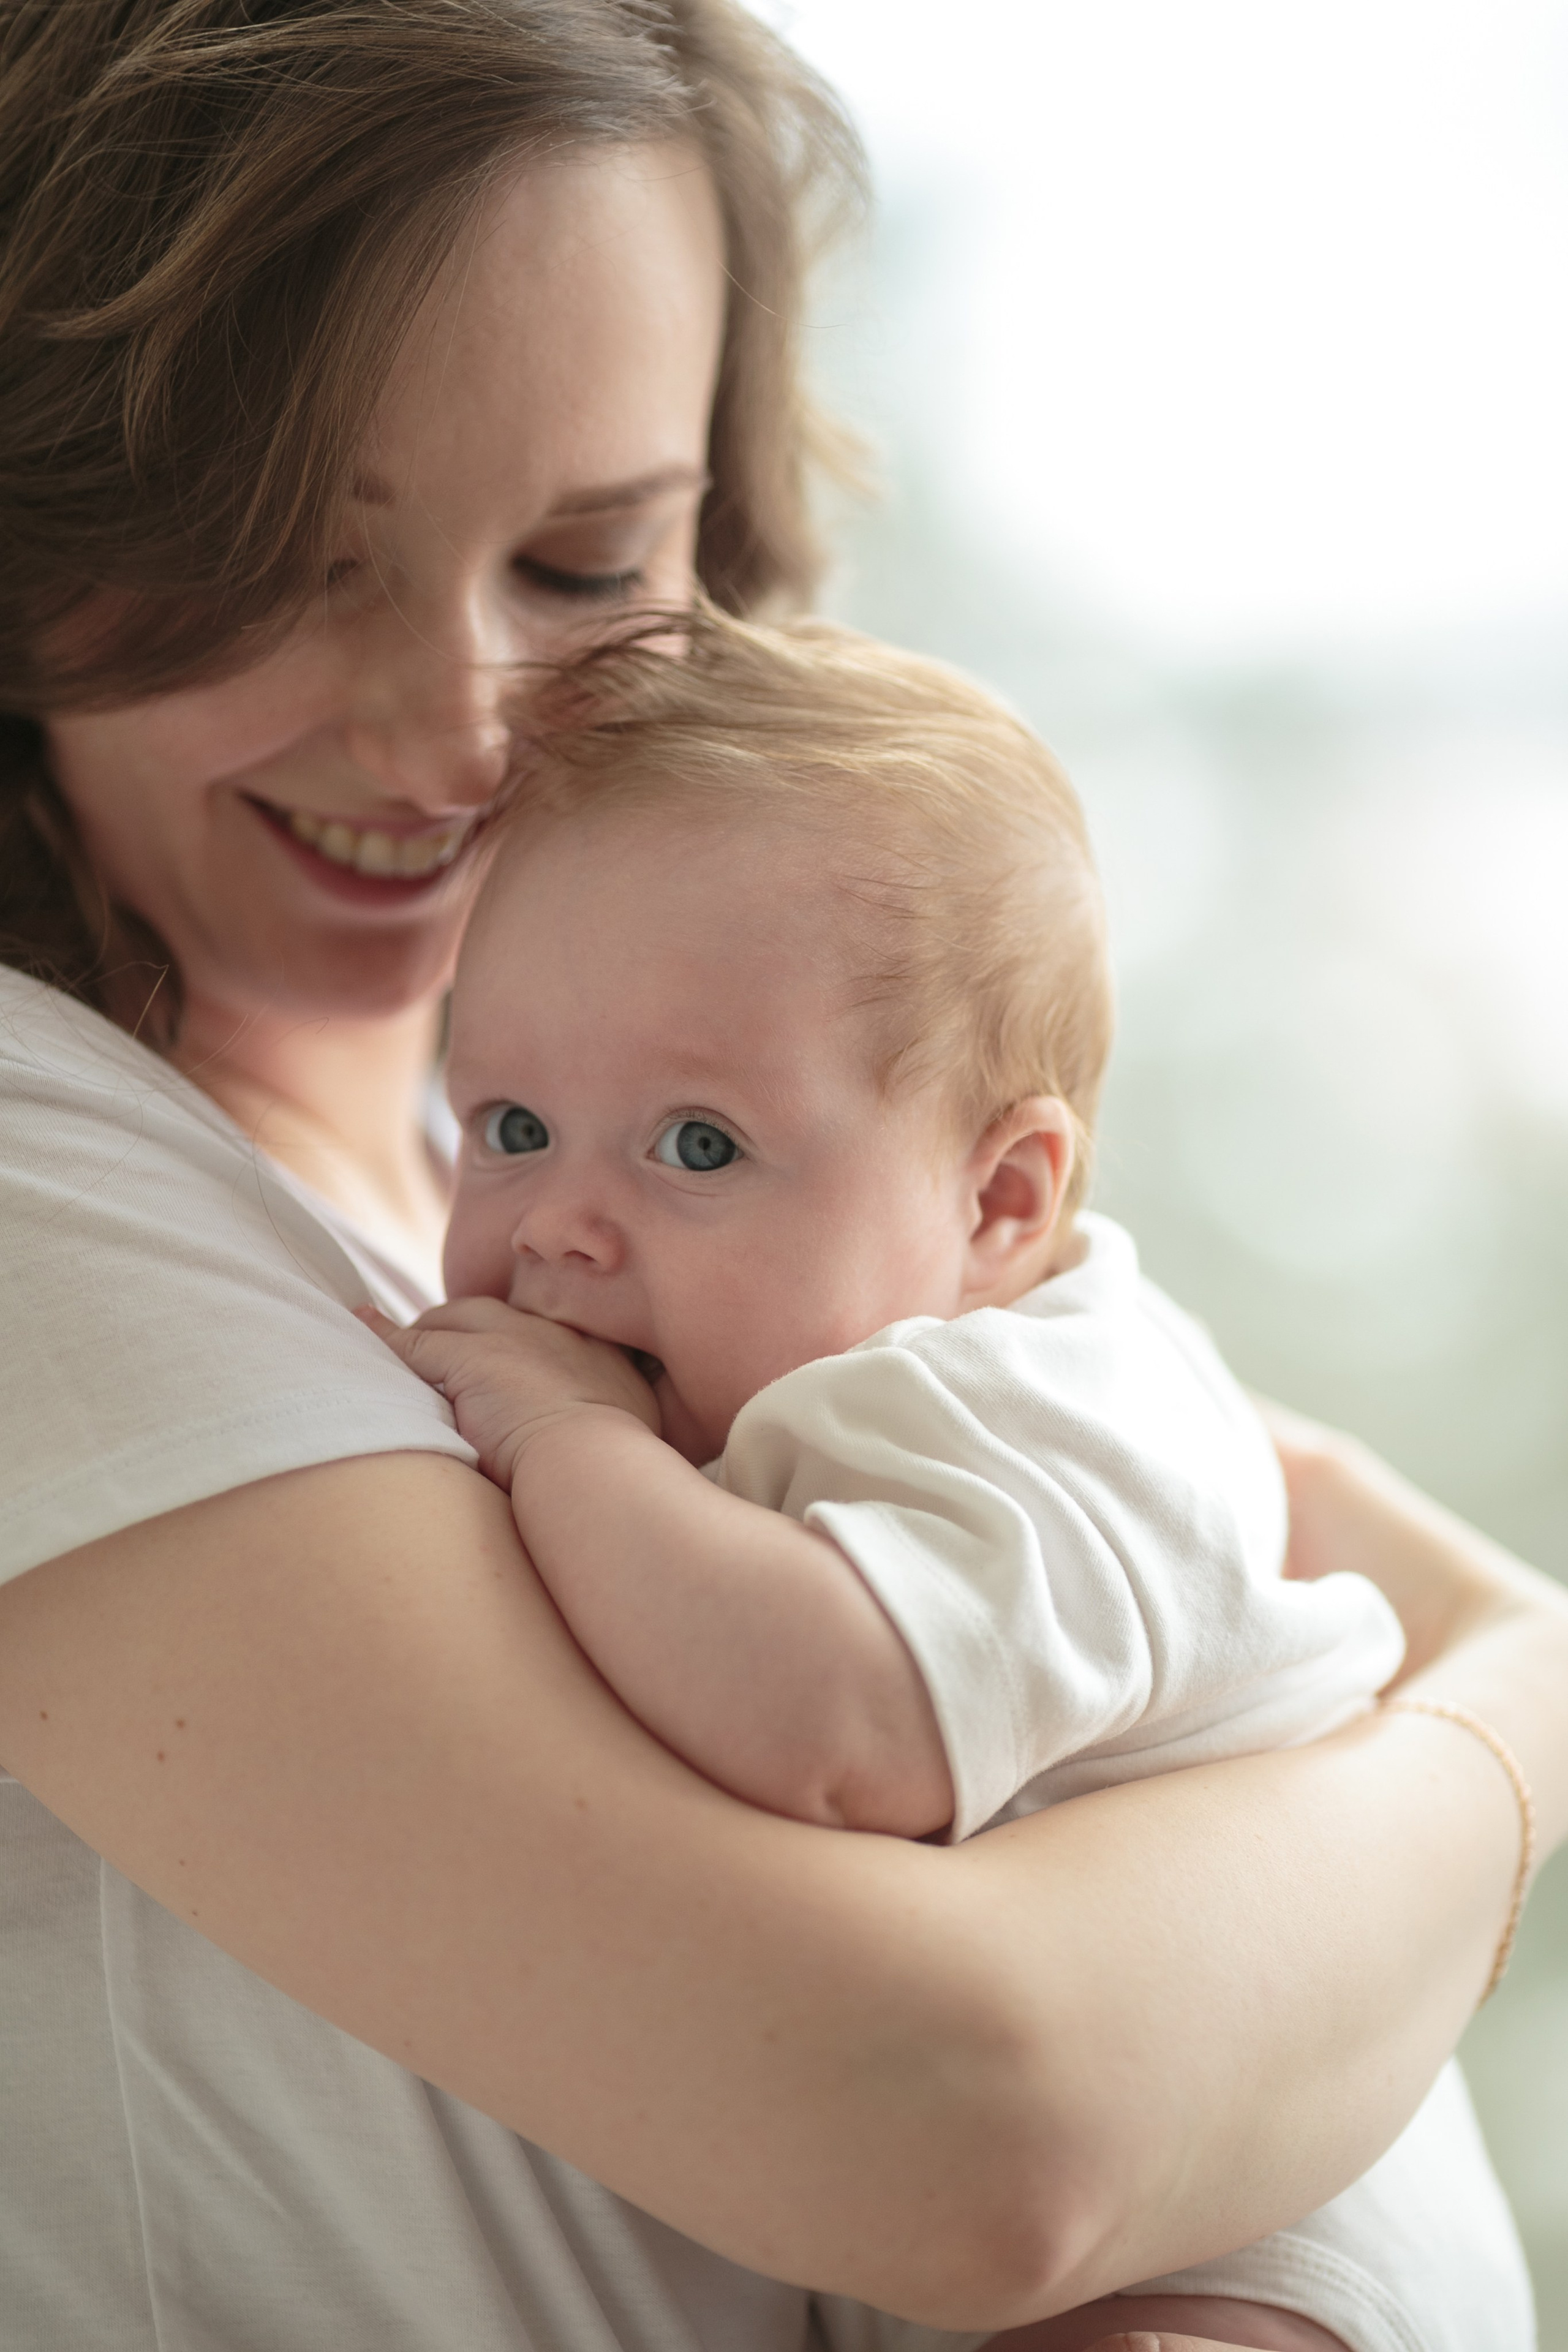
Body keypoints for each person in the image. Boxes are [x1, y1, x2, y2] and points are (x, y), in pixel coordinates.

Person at [0, 7, 1564, 2351]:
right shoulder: (57, 1156)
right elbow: (977, 2130)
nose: (453, 729)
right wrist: (1511, 1724)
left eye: (583, 559)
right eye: (289, 563)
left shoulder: (518, 1153)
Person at [368, 609, 1531, 2352]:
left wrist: (570, 1444)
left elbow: (839, 1727)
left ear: (998, 1203)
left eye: (699, 1145)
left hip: (1245, 2251)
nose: (561, 1228)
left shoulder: (1015, 1411)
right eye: (511, 1128)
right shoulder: (883, 1362)